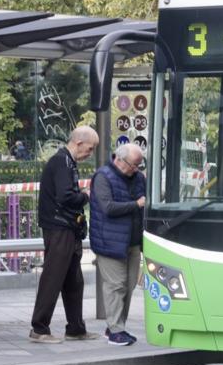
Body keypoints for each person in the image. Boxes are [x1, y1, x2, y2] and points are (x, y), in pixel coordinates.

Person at [30, 125, 98, 343]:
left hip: (66, 227)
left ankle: (76, 328)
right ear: (78, 143)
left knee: (74, 280)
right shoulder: (62, 162)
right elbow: (65, 196)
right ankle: (39, 328)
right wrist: (86, 195)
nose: (91, 153)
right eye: (90, 148)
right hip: (59, 227)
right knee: (53, 277)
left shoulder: (68, 162)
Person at [89, 143, 146, 346]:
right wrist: (136, 204)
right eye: (134, 164)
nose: (136, 169)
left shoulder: (138, 178)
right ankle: (116, 331)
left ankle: (115, 326)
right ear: (120, 160)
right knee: (116, 286)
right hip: (109, 242)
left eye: (139, 164)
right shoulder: (103, 177)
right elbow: (108, 207)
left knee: (129, 286)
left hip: (132, 243)